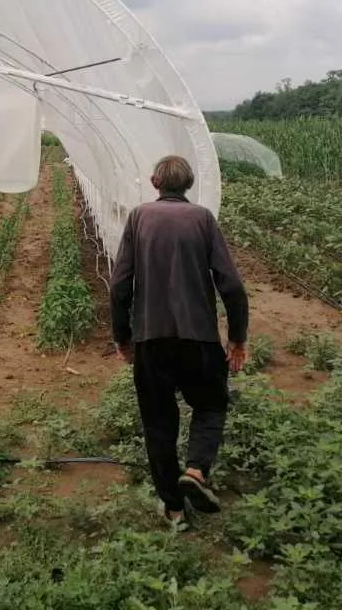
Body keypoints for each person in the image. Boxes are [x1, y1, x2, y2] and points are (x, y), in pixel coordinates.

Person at [109, 155, 248, 531]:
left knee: (158, 424)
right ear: (188, 185)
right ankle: (197, 469)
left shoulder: (139, 218)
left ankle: (173, 510)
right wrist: (237, 338)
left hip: (152, 342)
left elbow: (120, 284)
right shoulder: (203, 219)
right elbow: (232, 286)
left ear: (155, 182)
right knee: (211, 404)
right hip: (199, 339)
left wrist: (122, 337)